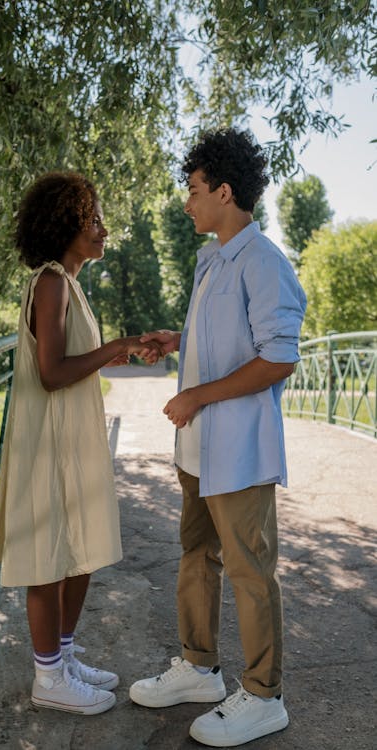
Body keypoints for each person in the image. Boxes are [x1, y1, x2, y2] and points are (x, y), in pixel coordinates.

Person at [130, 128, 307, 746]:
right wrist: (177, 342)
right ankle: (200, 668)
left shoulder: (264, 263)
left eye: (195, 189)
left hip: (238, 452)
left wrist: (197, 395)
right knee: (195, 556)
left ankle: (265, 696)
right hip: (198, 449)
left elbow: (279, 359)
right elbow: (225, 338)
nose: (187, 202)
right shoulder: (214, 258)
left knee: (250, 571)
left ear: (225, 192)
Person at [0, 171, 159, 715]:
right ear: (66, 226)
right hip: (49, 442)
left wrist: (116, 348)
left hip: (71, 438)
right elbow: (52, 374)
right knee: (50, 558)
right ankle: (47, 679)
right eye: (93, 220)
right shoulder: (52, 281)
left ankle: (61, 658)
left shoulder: (69, 281)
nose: (103, 229)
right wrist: (116, 348)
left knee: (80, 551)